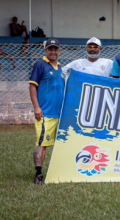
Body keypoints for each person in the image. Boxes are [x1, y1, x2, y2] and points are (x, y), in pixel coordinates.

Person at [29, 38, 65, 184]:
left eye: (55, 49)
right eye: (50, 49)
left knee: (61, 144)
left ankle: (59, 171)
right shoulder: (40, 65)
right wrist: (37, 107)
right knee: (42, 143)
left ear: (59, 51)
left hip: (60, 114)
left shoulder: (61, 68)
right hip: (46, 114)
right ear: (45, 51)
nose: (53, 52)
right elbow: (32, 87)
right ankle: (38, 174)